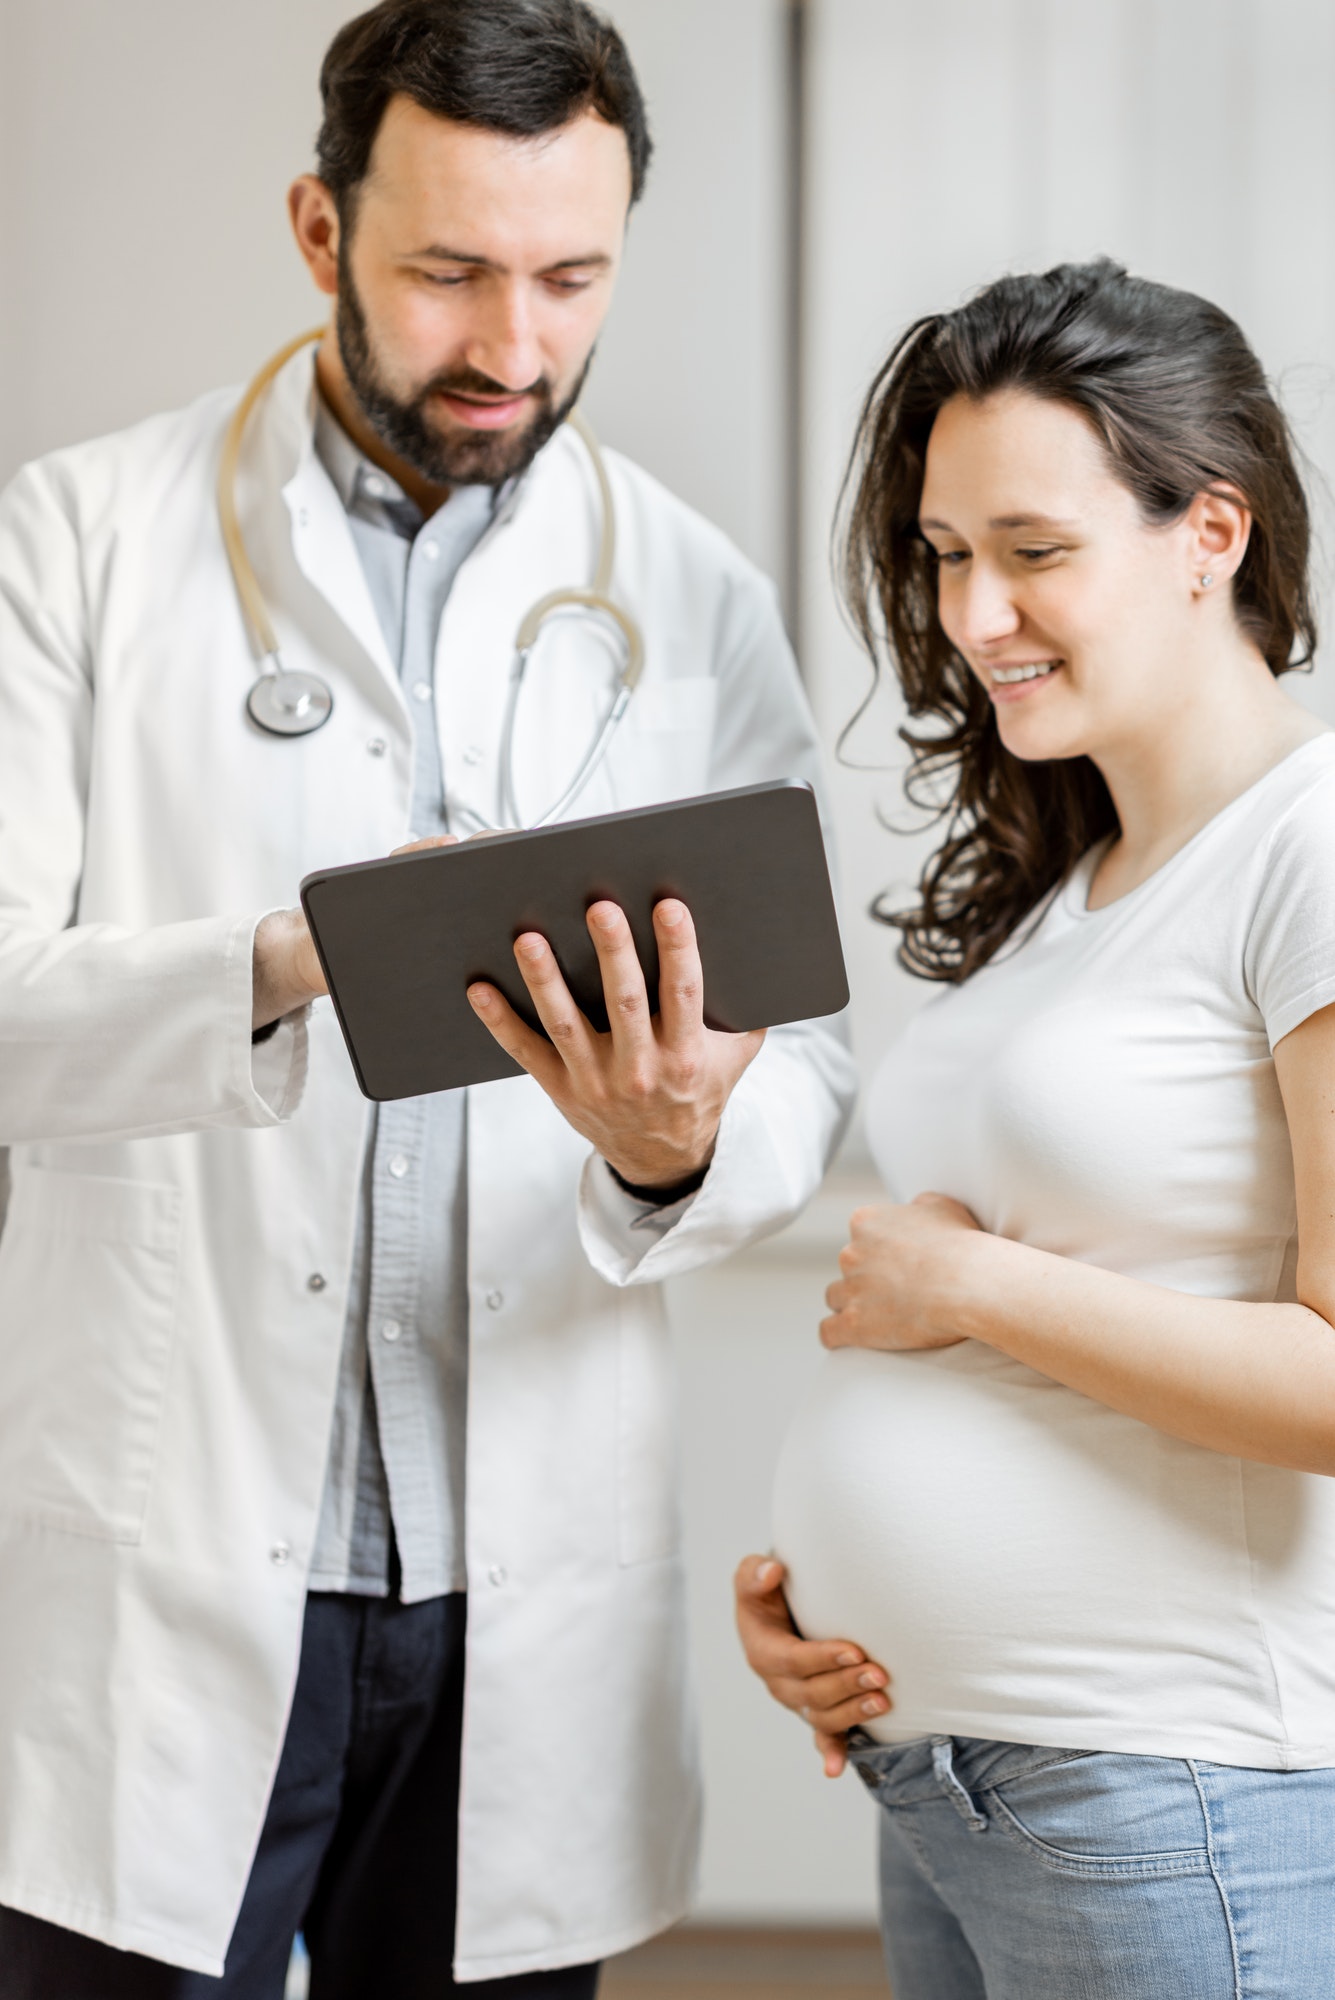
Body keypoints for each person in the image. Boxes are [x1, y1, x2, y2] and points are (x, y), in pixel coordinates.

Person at [0, 3, 854, 1993]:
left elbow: (807, 1062)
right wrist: (296, 957)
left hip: (515, 1589)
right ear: (320, 229)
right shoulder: (77, 540)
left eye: (571, 277)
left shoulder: (693, 594)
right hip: (175, 1563)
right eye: (449, 271)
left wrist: (678, 1146)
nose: (513, 346)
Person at [735, 259, 1335, 1999]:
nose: (974, 612)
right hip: (961, 1784)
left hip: (1175, 1795)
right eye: (944, 554)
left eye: (1033, 550)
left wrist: (972, 1289)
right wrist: (830, 1602)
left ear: (1210, 531)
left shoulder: (1308, 845)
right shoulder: (1076, 884)